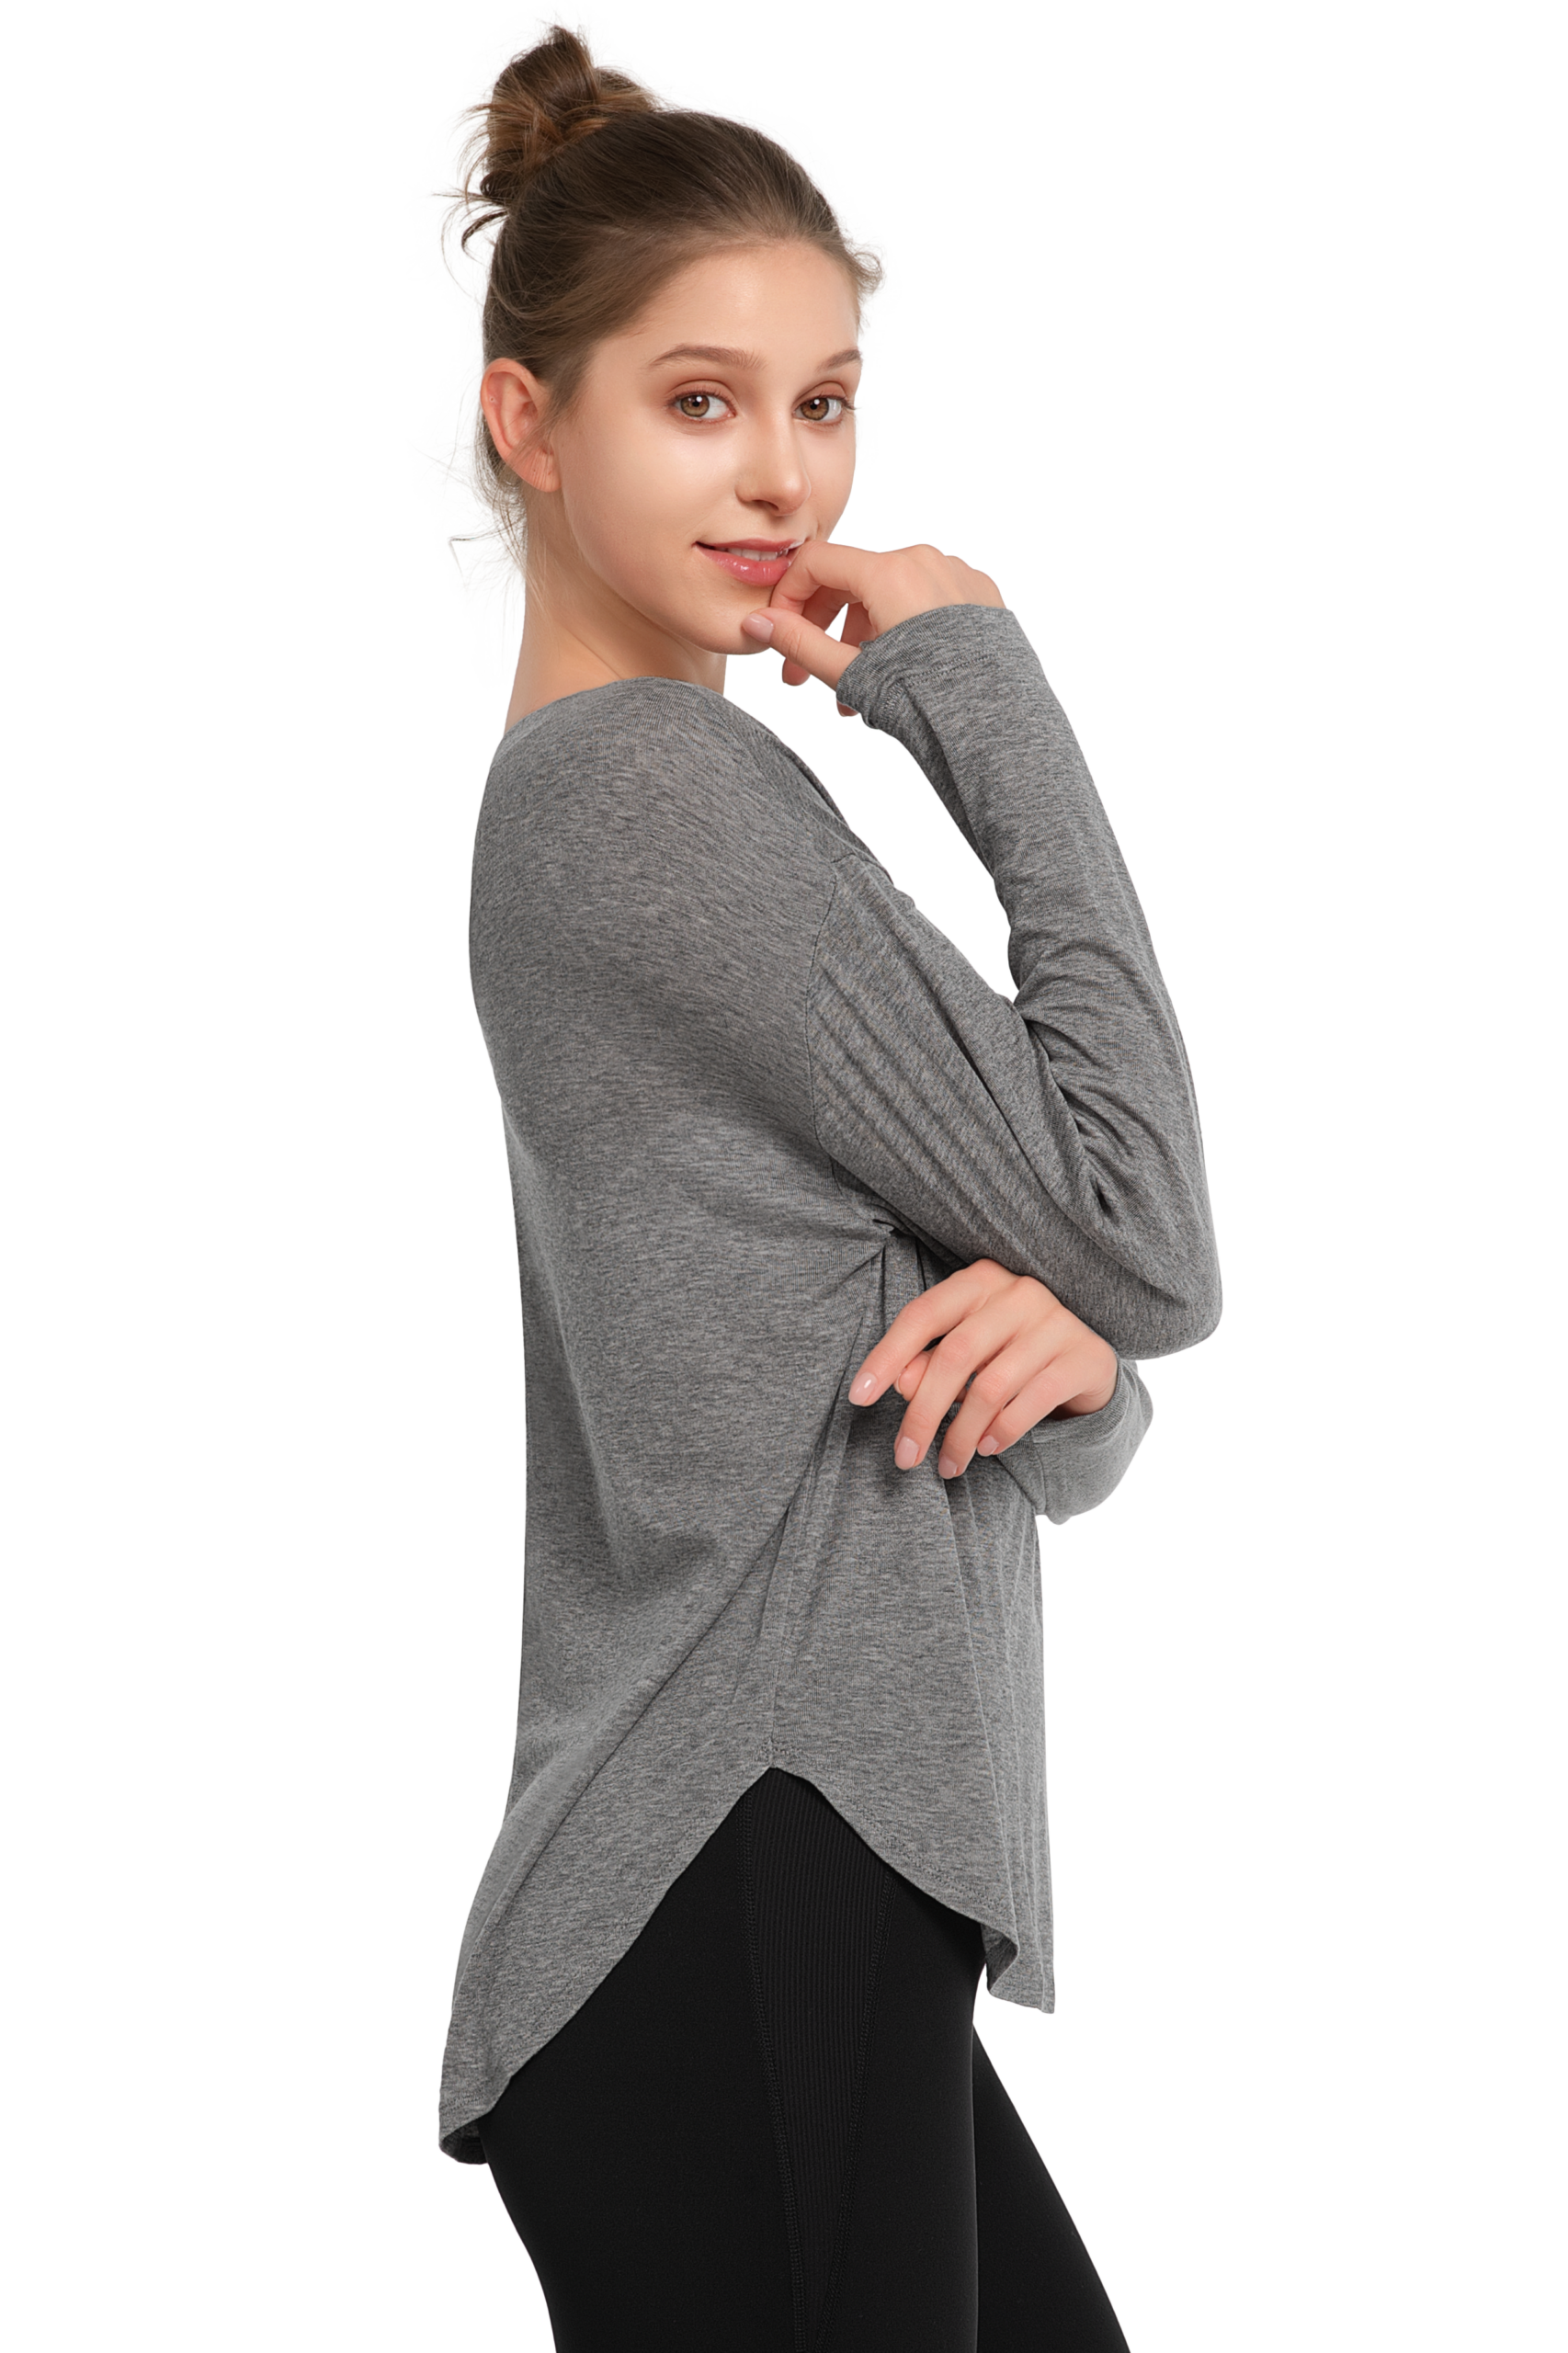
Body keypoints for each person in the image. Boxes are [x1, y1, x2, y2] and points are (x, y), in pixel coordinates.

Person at [415, 15, 1222, 2347]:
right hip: (739, 1859)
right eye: (700, 400)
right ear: (528, 418)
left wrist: (1080, 1363)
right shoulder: (655, 798)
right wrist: (981, 678)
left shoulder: (624, 798)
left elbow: (1039, 1375)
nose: (783, 472)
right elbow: (1150, 1229)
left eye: (828, 397)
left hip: (777, 1870)